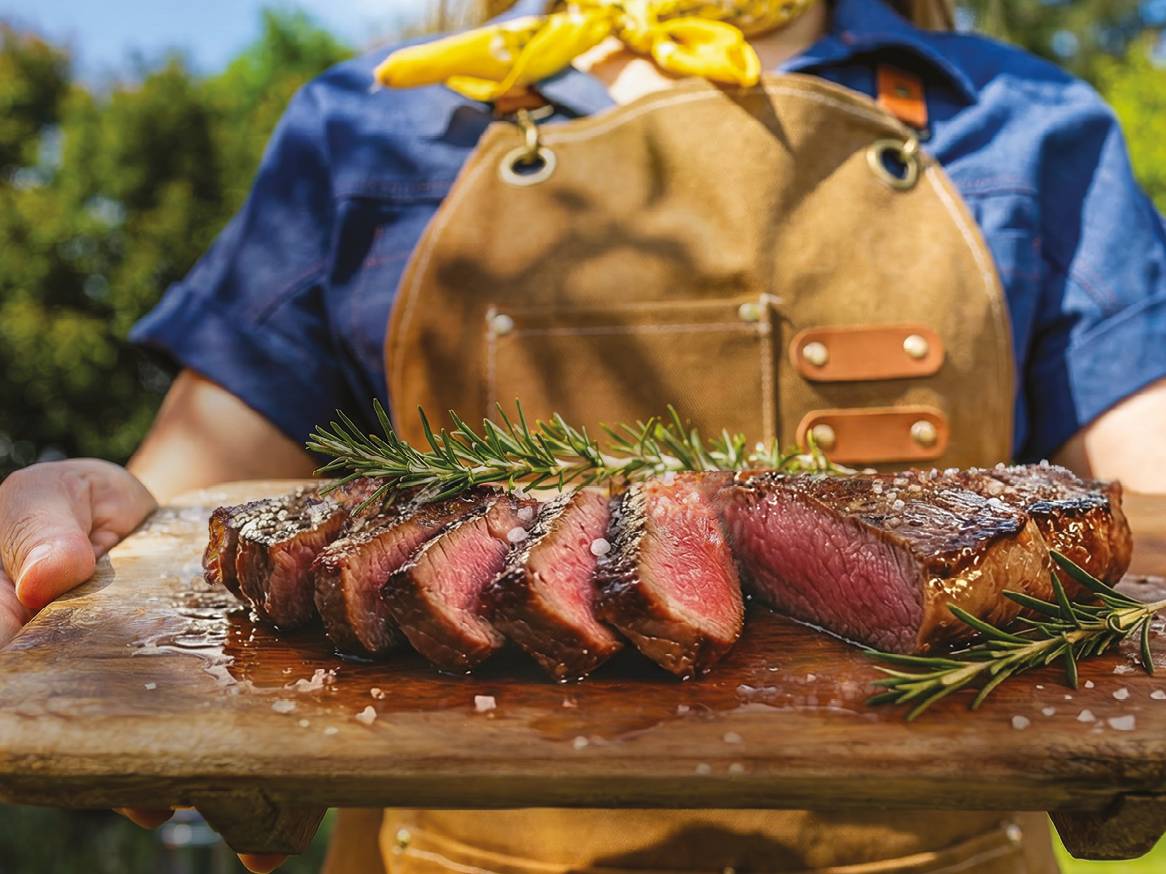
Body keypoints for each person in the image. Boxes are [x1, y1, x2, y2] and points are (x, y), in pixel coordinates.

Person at [3, 0, 1166, 871]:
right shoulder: (371, 131)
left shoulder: (1023, 126)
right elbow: (189, 499)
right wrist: (97, 513)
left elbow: (1146, 491)